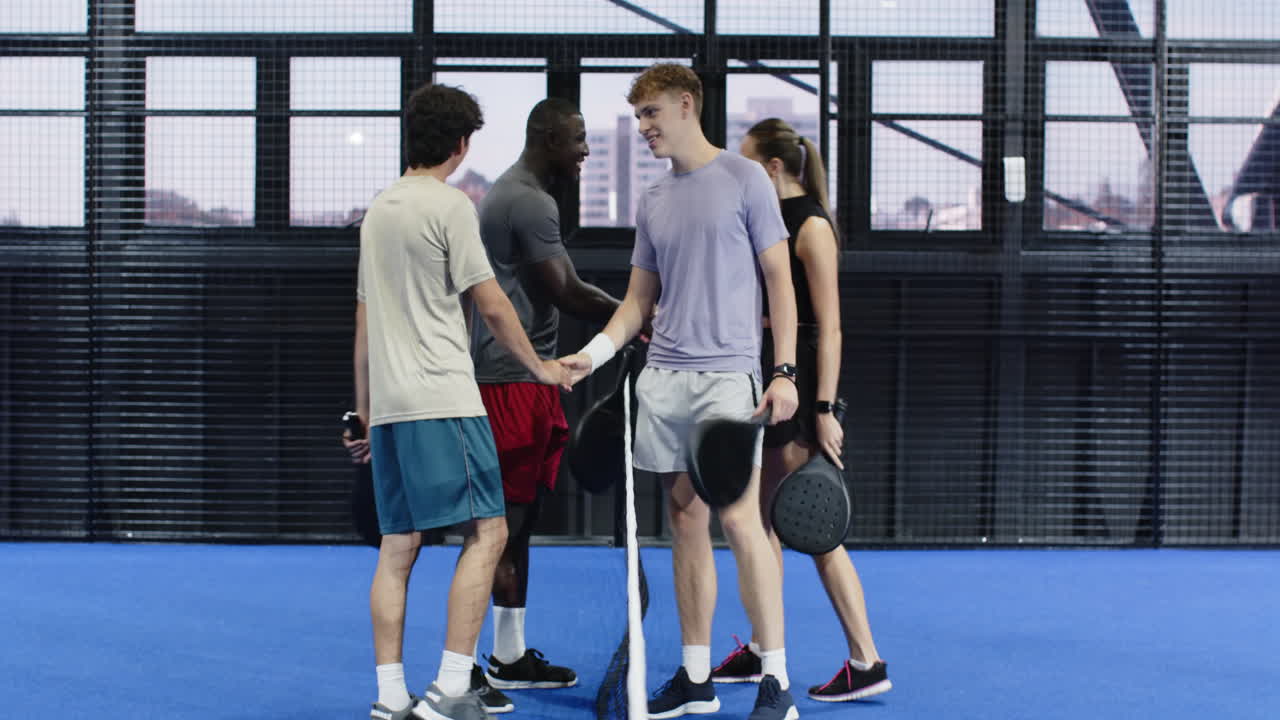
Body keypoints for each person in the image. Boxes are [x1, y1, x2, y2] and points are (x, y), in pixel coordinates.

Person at [560, 63, 801, 720]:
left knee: (740, 522)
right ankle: (697, 676)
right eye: (637, 118)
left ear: (686, 105)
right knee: (685, 522)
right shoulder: (654, 200)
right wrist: (592, 355)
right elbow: (639, 300)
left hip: (729, 378)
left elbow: (780, 279)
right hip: (664, 379)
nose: (643, 129)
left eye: (651, 116)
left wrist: (784, 372)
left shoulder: (746, 179)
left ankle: (775, 680)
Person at [344, 82, 569, 720]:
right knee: (490, 530)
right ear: (462, 145)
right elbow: (492, 305)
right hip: (446, 401)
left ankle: (390, 697)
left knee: (399, 547)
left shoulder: (379, 210)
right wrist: (543, 369)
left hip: (389, 409)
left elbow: (363, 328)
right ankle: (448, 688)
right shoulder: (450, 207)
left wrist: (360, 412)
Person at [709, 118, 891, 703]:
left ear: (771, 168)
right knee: (762, 523)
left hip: (801, 382)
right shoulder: (765, 219)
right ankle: (765, 649)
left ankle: (866, 660)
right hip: (765, 373)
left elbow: (831, 326)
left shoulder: (811, 226)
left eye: (746, 161)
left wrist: (825, 408)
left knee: (808, 525)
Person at [467, 97, 626, 708]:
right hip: (509, 383)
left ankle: (507, 657)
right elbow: (564, 290)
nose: (585, 150)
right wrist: (639, 317)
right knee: (497, 527)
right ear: (545, 136)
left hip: (527, 381)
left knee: (518, 524)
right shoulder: (526, 199)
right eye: (577, 138)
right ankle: (463, 668)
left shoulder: (533, 195)